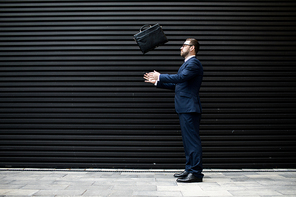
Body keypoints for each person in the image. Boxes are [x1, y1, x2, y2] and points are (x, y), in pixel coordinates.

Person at [143, 38, 204, 183]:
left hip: (189, 108)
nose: (181, 47)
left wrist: (161, 76)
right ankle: (189, 169)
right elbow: (179, 85)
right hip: (184, 108)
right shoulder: (186, 64)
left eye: (184, 45)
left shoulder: (194, 63)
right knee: (187, 141)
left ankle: (195, 173)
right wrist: (158, 82)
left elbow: (180, 78)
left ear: (192, 48)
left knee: (192, 141)